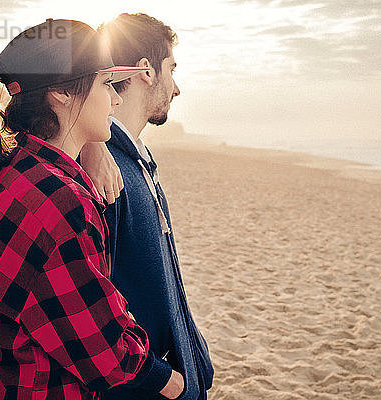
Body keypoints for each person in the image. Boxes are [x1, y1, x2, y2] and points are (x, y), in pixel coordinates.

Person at [0, 19, 183, 399]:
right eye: (106, 85)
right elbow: (107, 352)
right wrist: (170, 381)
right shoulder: (62, 202)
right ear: (61, 94)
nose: (116, 99)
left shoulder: (14, 171)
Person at [80, 13, 214, 400]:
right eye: (171, 69)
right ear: (146, 71)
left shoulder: (132, 159)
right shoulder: (104, 173)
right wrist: (164, 379)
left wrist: (194, 353)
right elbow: (93, 308)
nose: (177, 88)